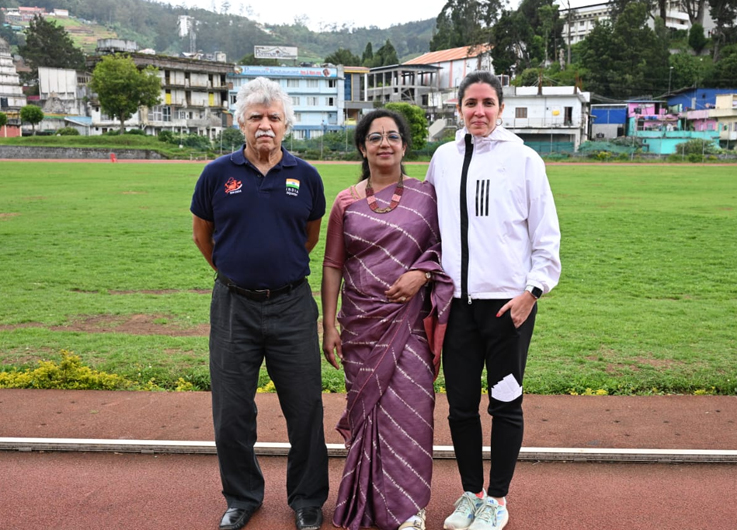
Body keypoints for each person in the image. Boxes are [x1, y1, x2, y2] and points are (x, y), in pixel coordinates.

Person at [190, 77, 328, 530]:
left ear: (287, 124)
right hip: (234, 305)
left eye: (273, 117)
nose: (265, 125)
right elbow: (203, 236)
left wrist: (277, 270)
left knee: (305, 407)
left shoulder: (305, 176)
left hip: (292, 306)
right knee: (232, 409)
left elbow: (308, 237)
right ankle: (242, 497)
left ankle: (307, 499)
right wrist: (238, 272)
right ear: (241, 124)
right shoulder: (216, 174)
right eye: (256, 117)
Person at [425, 71, 561, 530]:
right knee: (460, 405)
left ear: (500, 108)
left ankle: (498, 498)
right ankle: (471, 492)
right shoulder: (443, 157)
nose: (478, 112)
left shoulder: (524, 159)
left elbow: (546, 237)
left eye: (487, 103)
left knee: (504, 402)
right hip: (457, 305)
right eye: (470, 103)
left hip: (508, 305)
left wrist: (532, 291)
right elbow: (430, 227)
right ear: (458, 108)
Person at [321, 109, 454, 530]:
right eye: (375, 137)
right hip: (361, 325)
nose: (384, 143)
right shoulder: (346, 202)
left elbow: (444, 249)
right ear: (362, 147)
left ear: (404, 145)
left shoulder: (426, 197)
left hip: (410, 323)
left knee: (411, 411)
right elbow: (332, 265)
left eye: (392, 136)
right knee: (369, 415)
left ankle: (409, 510)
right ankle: (367, 503)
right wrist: (328, 326)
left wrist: (422, 273)